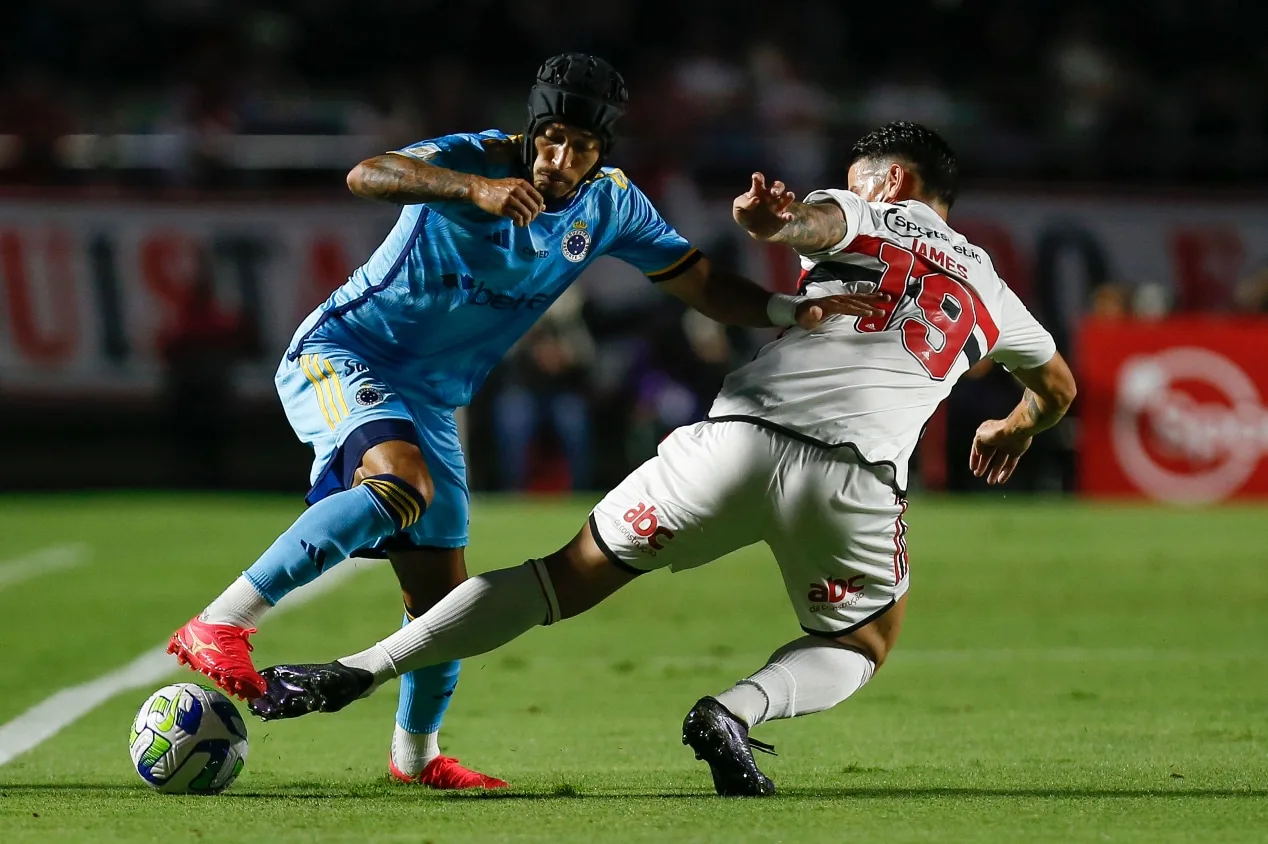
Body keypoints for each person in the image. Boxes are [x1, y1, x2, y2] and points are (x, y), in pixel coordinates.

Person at [249, 122, 1072, 797]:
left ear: (891, 181)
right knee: (862, 639)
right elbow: (1059, 386)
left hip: (732, 442)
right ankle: (734, 712)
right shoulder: (996, 292)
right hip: (853, 480)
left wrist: (774, 224)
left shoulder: (870, 212)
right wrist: (1016, 425)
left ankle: (358, 669)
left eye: (859, 179)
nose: (852, 190)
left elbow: (813, 224)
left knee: (560, 578)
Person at [165, 52, 884, 791]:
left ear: (604, 150)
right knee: (398, 485)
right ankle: (222, 622)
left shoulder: (609, 204)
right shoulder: (472, 158)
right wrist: (469, 189)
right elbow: (367, 174)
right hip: (348, 354)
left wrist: (784, 310)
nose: (558, 158)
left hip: (434, 398)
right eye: (549, 138)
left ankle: (415, 760)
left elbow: (700, 281)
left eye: (580, 145)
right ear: (529, 128)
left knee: (440, 604)